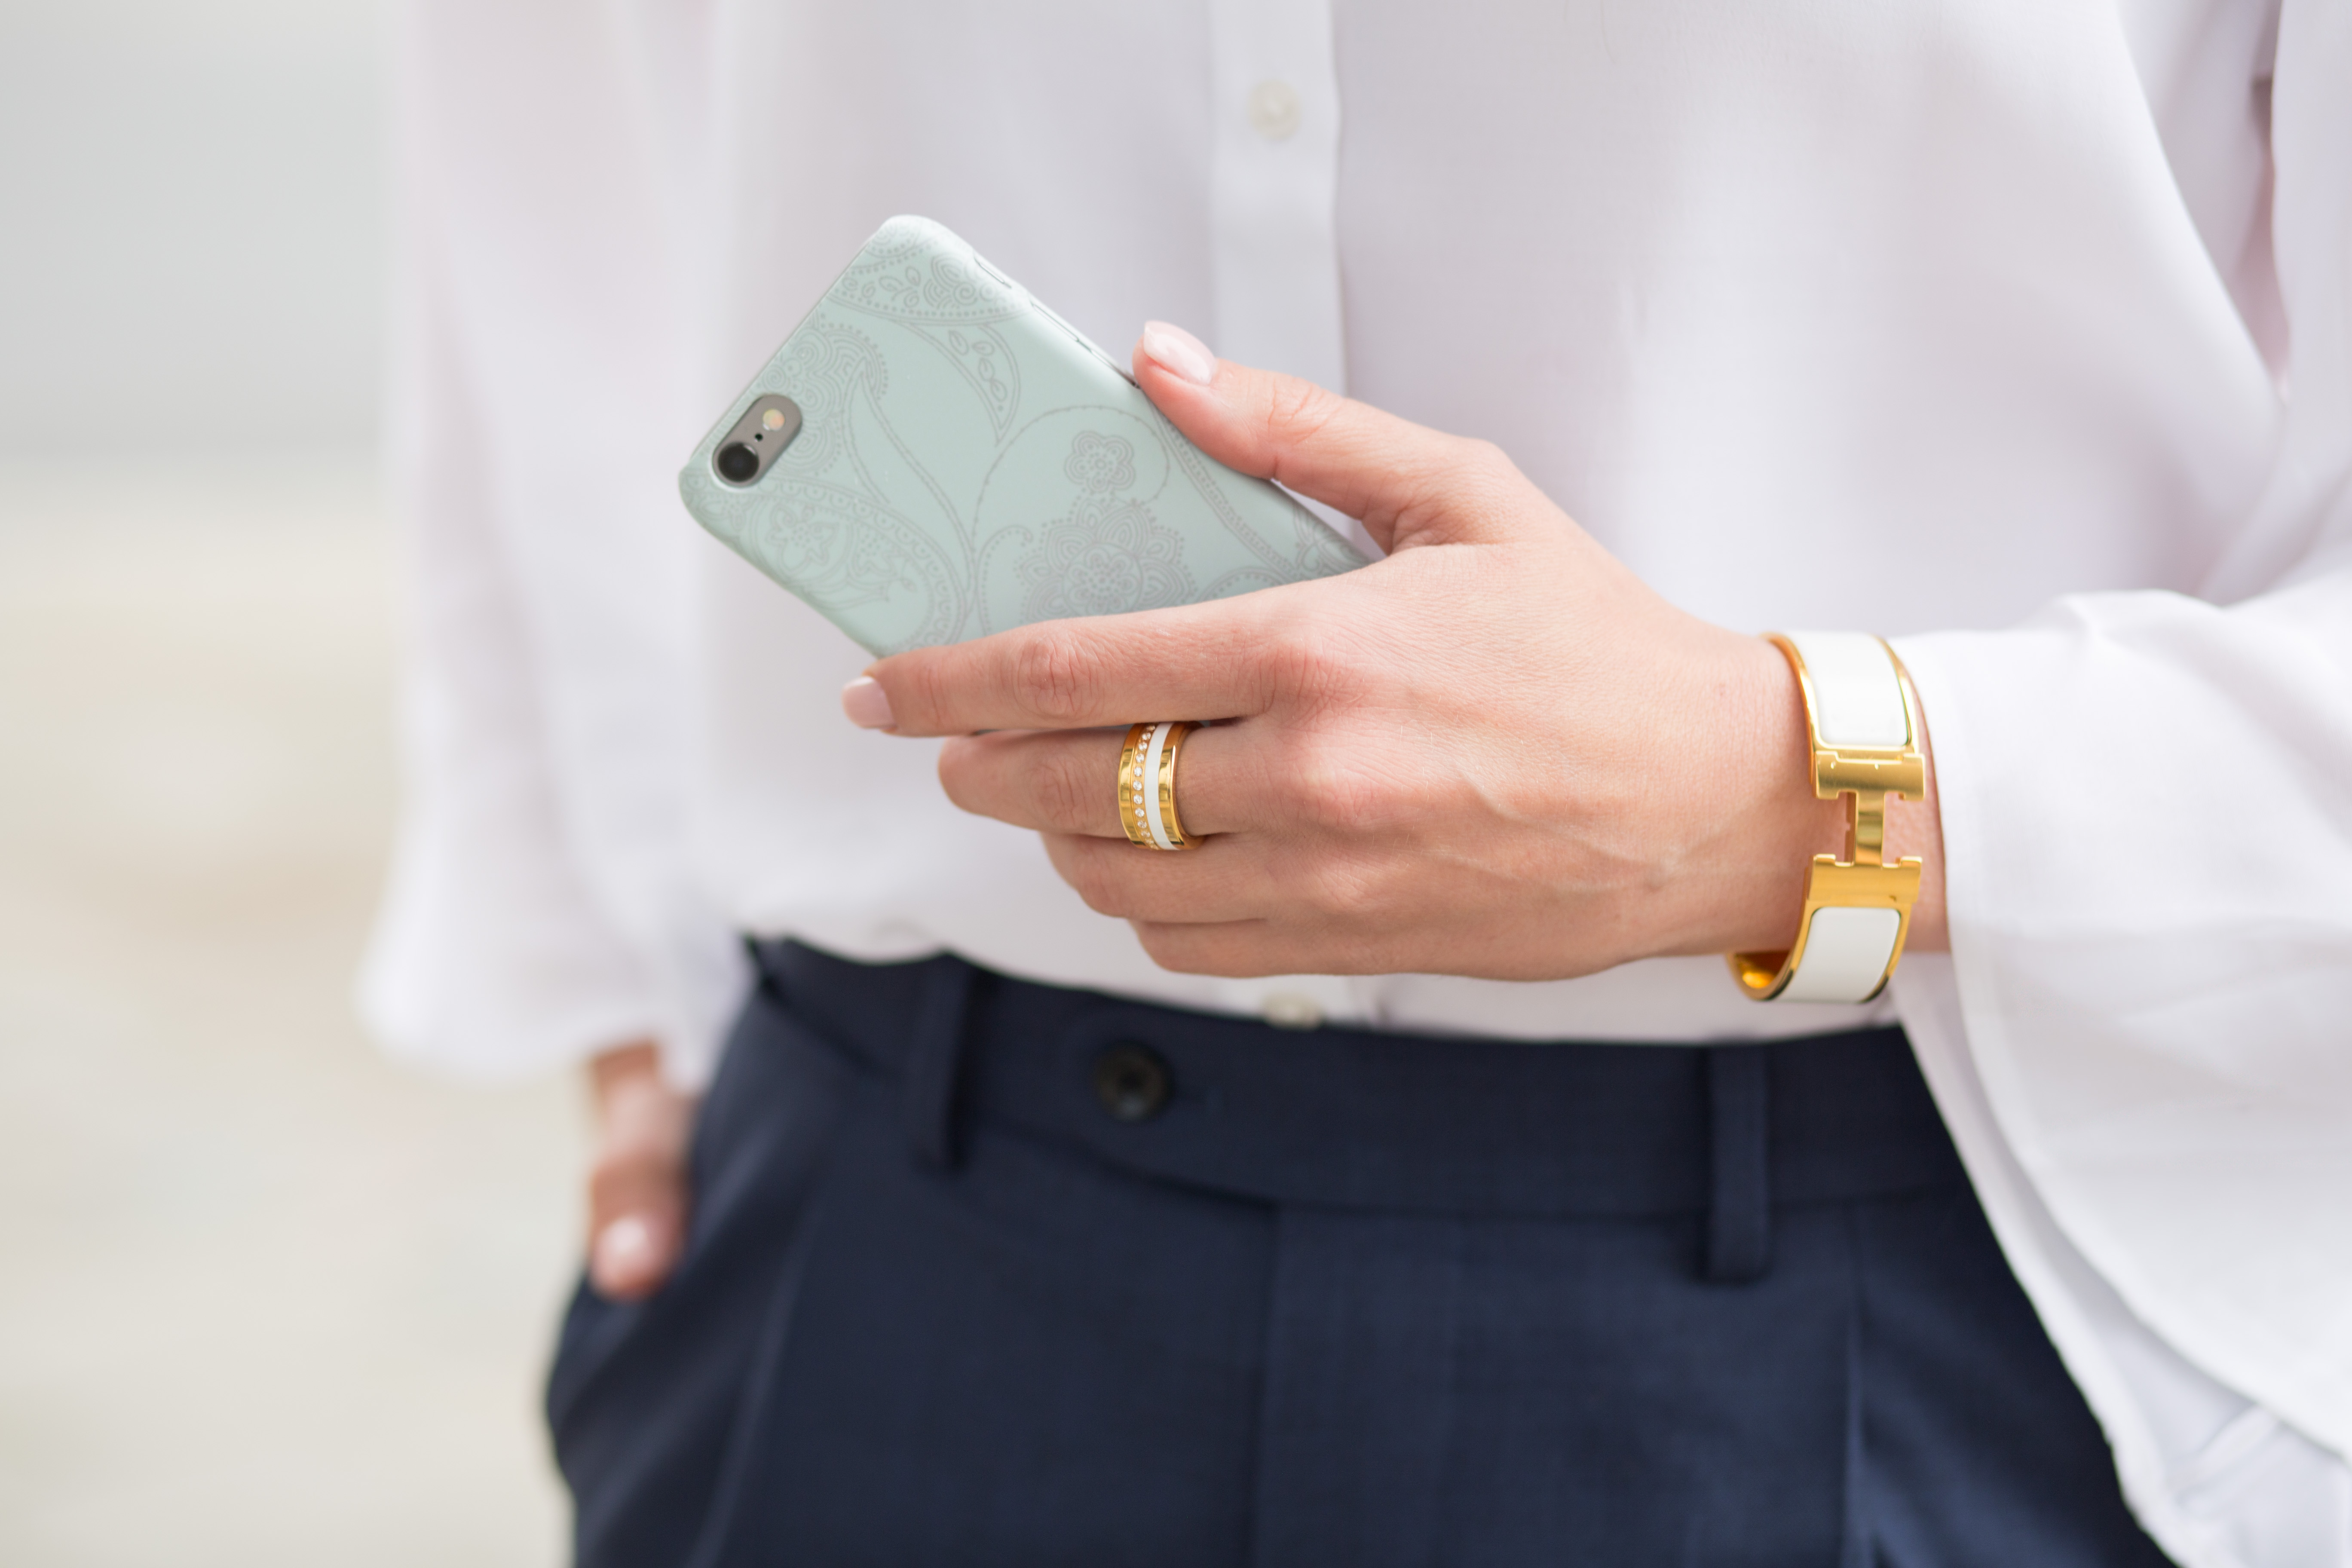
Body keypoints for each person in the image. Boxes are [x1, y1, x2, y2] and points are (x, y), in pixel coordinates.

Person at [364, 2, 2352, 1564]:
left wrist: (1780, 786)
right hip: (897, 1228)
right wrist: (629, 984)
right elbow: (539, 163)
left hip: (1898, 1251)